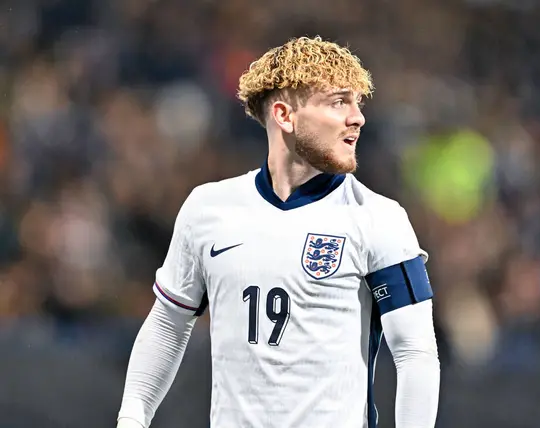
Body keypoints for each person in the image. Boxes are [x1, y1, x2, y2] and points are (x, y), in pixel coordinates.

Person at [116, 36, 440, 428]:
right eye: (339, 102)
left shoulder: (379, 219)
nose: (358, 117)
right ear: (285, 116)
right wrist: (132, 417)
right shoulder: (209, 209)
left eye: (357, 102)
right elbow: (168, 322)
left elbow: (415, 353)